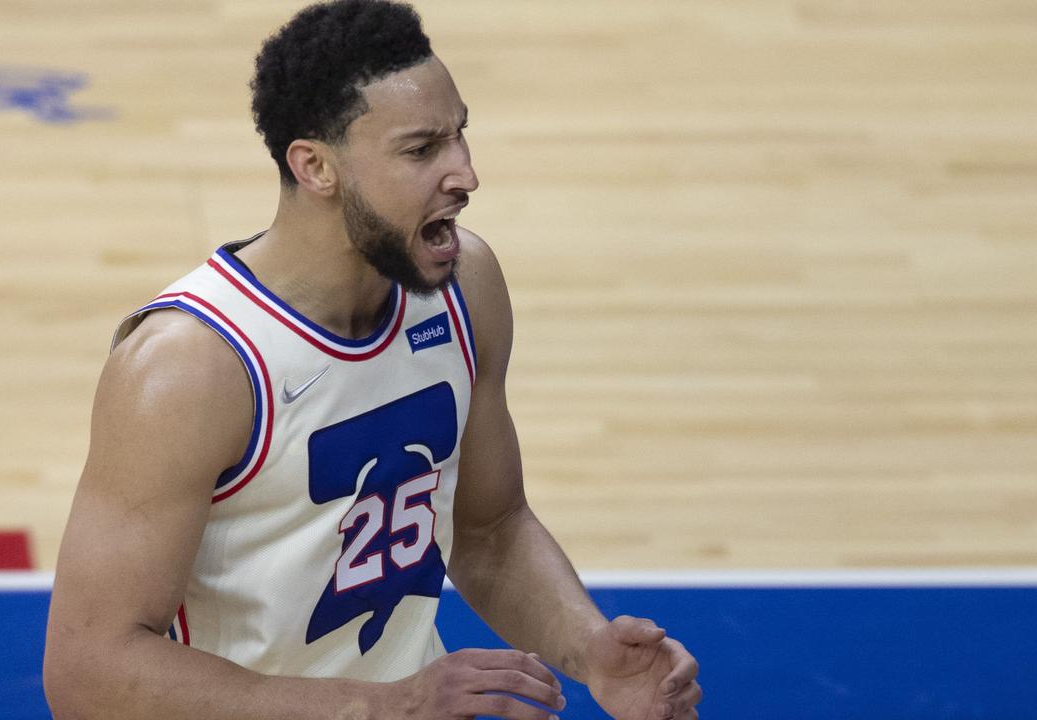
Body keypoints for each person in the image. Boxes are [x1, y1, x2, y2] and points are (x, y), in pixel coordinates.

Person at [43, 1, 701, 718]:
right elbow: (89, 672)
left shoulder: (464, 288)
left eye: (461, 137)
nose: (466, 174)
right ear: (316, 167)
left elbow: (489, 529)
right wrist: (386, 706)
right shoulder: (191, 369)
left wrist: (588, 645)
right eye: (422, 151)